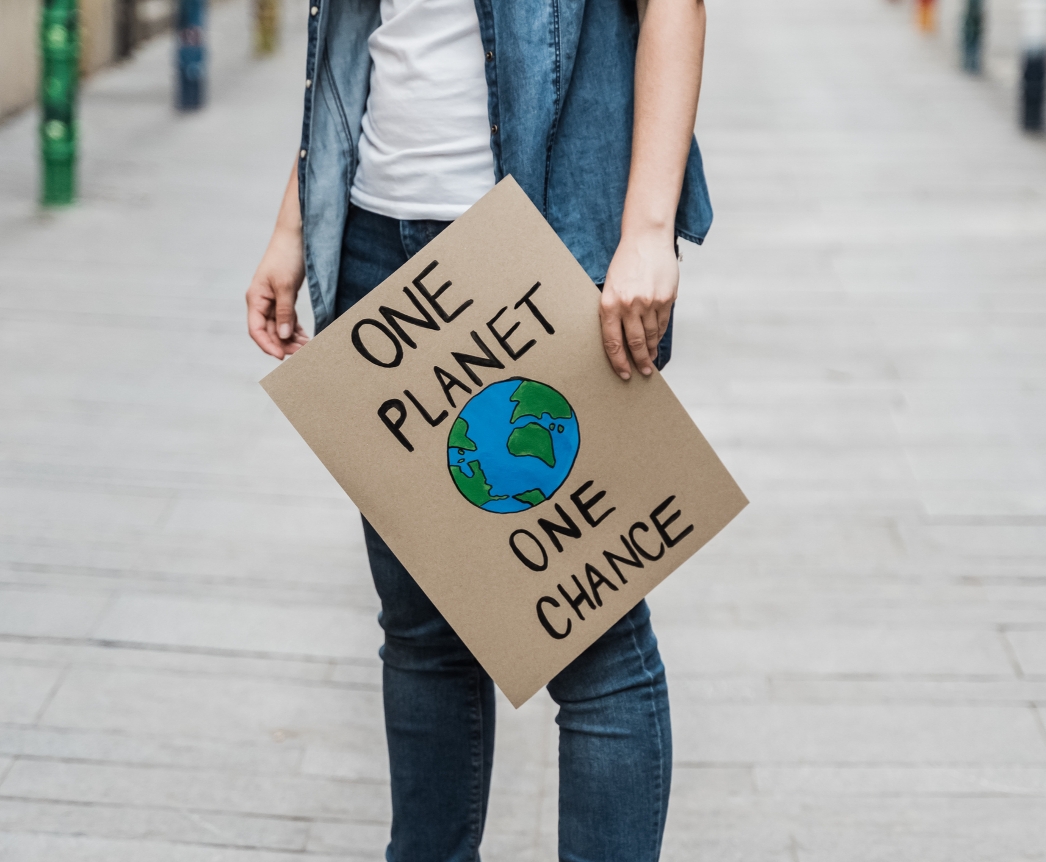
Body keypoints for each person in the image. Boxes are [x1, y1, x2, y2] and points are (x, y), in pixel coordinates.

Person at [245, 0, 710, 859]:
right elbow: (366, 33)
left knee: (594, 642)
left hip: (541, 243)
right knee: (420, 632)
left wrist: (649, 230)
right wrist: (292, 222)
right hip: (376, 247)